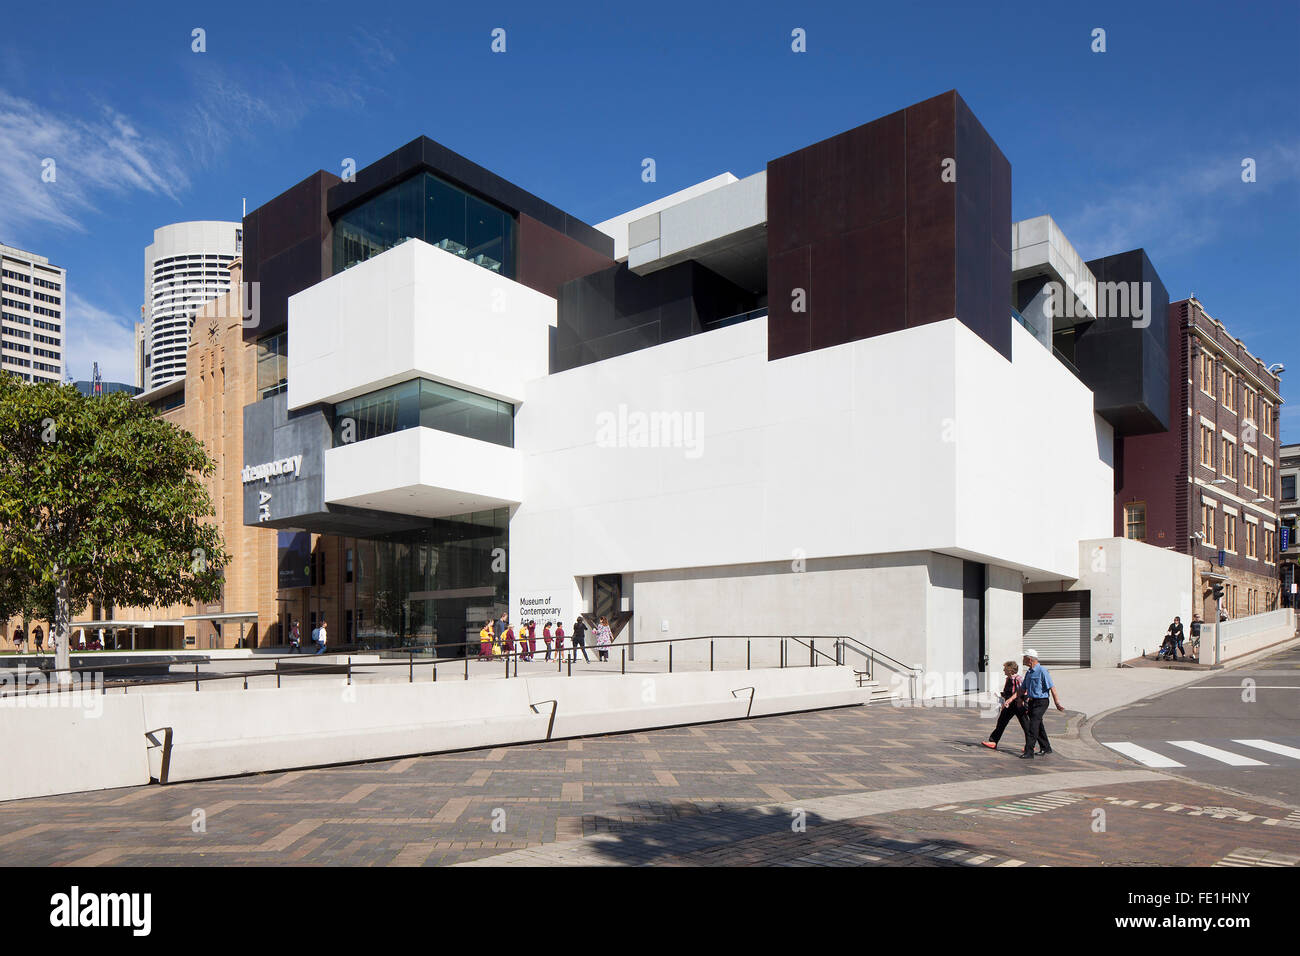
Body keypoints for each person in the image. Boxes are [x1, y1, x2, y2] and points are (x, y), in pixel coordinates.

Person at [1017, 649, 1064, 759]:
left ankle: (1029, 752)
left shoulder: (1042, 671)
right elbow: (1022, 688)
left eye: (1024, 657)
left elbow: (1052, 687)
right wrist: (1018, 698)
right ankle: (1046, 747)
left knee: (1032, 726)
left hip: (1041, 702)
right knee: (1038, 725)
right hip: (1032, 702)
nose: (1022, 659)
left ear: (1029, 659)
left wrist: (1057, 703)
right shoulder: (1029, 672)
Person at [981, 661, 1027, 750]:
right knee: (1001, 722)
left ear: (1010, 670)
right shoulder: (1008, 679)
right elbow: (1008, 691)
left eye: (1005, 669)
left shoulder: (1018, 679)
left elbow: (1024, 690)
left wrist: (1022, 701)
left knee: (1025, 724)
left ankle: (1030, 745)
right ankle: (993, 741)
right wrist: (1001, 696)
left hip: (1018, 704)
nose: (1003, 670)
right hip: (1009, 704)